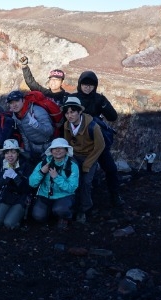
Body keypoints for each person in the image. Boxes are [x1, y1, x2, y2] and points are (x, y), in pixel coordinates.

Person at [70, 70, 124, 207]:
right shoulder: (73, 98)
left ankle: (115, 195)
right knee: (78, 172)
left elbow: (113, 117)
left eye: (91, 85)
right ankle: (77, 203)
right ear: (79, 84)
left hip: (97, 141)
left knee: (110, 168)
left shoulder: (100, 99)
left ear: (95, 86)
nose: (87, 87)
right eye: (85, 84)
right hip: (79, 143)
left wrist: (104, 105)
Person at [61, 97, 105, 223]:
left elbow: (100, 146)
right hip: (74, 155)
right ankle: (69, 206)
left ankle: (84, 209)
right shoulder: (66, 125)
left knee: (85, 182)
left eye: (73, 112)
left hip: (89, 156)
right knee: (71, 178)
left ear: (79, 111)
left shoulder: (93, 126)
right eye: (67, 113)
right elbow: (67, 143)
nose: (70, 115)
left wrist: (87, 164)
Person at [28, 138, 79, 229]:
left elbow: (72, 187)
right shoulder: (42, 164)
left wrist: (56, 177)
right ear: (51, 151)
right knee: (38, 216)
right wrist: (41, 172)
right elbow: (32, 183)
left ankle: (66, 216)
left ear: (66, 150)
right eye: (55, 148)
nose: (57, 150)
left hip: (64, 196)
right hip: (44, 195)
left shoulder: (72, 166)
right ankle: (52, 213)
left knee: (60, 209)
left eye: (61, 148)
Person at [0, 139, 33, 229]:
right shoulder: (2, 164)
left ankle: (19, 217)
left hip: (20, 198)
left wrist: (16, 177)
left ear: (18, 153)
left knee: (8, 223)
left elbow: (28, 188)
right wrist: (2, 179)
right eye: (7, 153)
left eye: (13, 152)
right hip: (6, 197)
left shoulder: (26, 165)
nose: (10, 155)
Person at [6, 90, 54, 162]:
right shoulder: (16, 116)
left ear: (23, 100)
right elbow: (23, 133)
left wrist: (37, 125)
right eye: (11, 103)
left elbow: (50, 131)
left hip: (47, 146)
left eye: (16, 101)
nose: (14, 105)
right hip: (33, 148)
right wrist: (27, 150)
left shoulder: (36, 111)